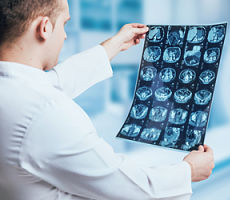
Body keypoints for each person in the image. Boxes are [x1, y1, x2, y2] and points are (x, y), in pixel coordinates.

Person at [0, 0, 214, 199]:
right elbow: (132, 190)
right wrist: (189, 171)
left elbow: (53, 83)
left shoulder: (16, 90)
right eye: (64, 24)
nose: (64, 35)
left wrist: (114, 45)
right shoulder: (47, 113)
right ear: (44, 28)